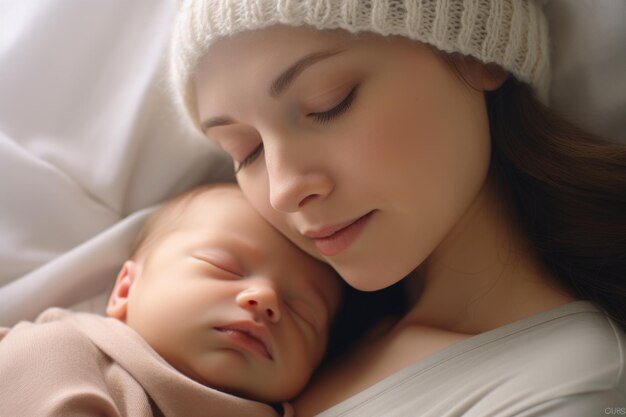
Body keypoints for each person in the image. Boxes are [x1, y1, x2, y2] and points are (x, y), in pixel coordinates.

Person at [169, 1, 626, 416]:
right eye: (246, 151)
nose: (283, 191)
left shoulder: (567, 387)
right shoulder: (283, 343)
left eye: (329, 104)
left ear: (478, 55)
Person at [0, 183, 342, 417]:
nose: (266, 299)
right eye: (222, 266)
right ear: (124, 290)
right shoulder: (62, 351)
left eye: (304, 312)